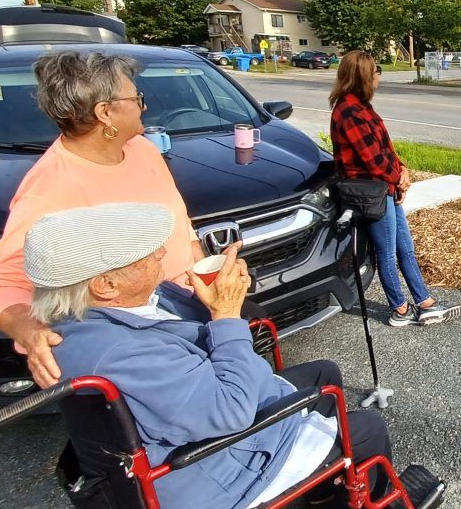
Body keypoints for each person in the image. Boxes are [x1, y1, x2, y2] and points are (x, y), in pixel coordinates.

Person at [23, 203, 395, 509]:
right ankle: (366, 497)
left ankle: (319, 489)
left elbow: (204, 333)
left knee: (324, 373)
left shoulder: (99, 312)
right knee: (366, 428)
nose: (161, 253)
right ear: (105, 285)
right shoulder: (119, 352)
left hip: (206, 415)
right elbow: (228, 412)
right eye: (143, 255)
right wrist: (225, 315)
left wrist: (220, 298)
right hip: (220, 471)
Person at [0, 50, 212, 389]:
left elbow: (180, 223)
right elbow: (2, 283)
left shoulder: (142, 149)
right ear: (105, 112)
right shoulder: (51, 188)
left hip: (188, 301)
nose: (144, 106)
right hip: (141, 327)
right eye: (137, 98)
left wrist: (205, 274)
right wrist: (30, 332)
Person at [329, 50, 460, 327]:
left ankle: (425, 303)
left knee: (405, 248)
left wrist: (402, 170)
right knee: (387, 252)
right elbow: (372, 160)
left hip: (385, 188)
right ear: (363, 76)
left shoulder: (361, 107)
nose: (378, 76)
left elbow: (384, 150)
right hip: (373, 193)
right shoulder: (348, 111)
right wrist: (397, 178)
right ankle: (399, 310)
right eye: (376, 71)